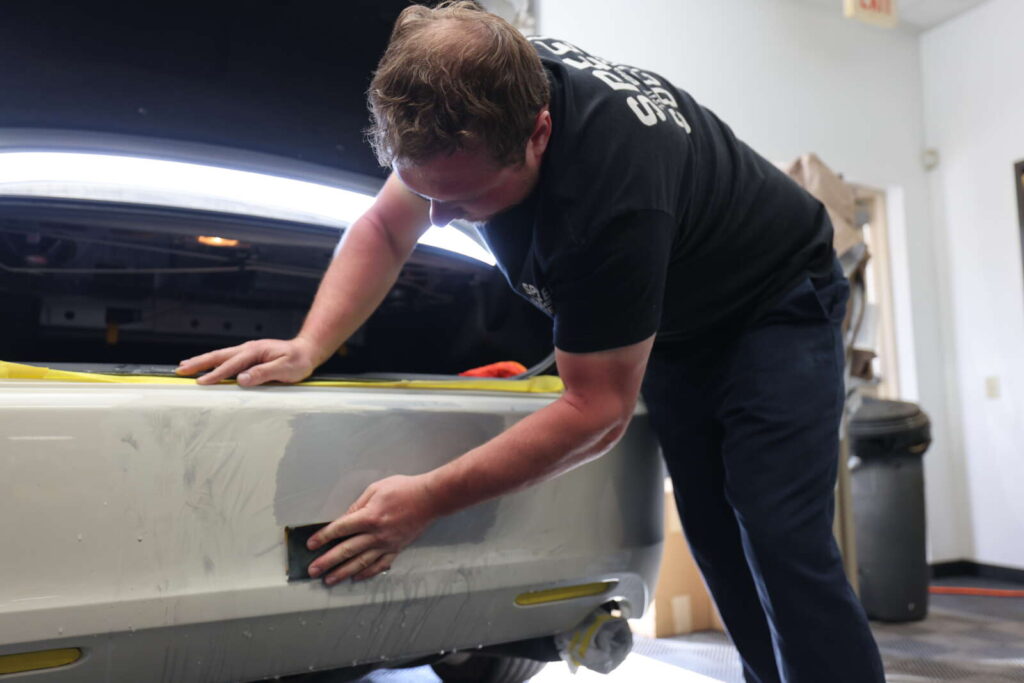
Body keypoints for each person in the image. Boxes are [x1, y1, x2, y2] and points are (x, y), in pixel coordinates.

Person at [176, 3, 885, 681]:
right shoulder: (467, 95)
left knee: (779, 536)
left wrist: (423, 500)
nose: (443, 221)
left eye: (464, 200)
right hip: (677, 318)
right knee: (721, 547)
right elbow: (387, 227)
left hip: (775, 300)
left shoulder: (613, 198)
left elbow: (596, 410)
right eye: (428, 194)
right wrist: (309, 344)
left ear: (538, 133)